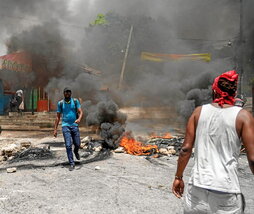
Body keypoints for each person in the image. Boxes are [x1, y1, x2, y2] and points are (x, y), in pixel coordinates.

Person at [172, 70, 254, 213]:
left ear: (214, 90)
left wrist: (178, 177)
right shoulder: (244, 117)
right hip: (226, 190)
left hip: (197, 189)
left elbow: (185, 149)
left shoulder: (198, 112)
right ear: (234, 93)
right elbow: (252, 158)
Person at [54, 87, 83, 171]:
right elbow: (57, 117)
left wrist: (79, 119)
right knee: (68, 145)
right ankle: (71, 163)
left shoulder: (75, 101)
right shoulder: (60, 103)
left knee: (77, 144)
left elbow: (80, 112)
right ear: (63, 93)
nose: (67, 93)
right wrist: (55, 129)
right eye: (66, 92)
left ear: (71, 93)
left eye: (69, 92)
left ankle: (76, 151)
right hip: (65, 126)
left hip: (74, 125)